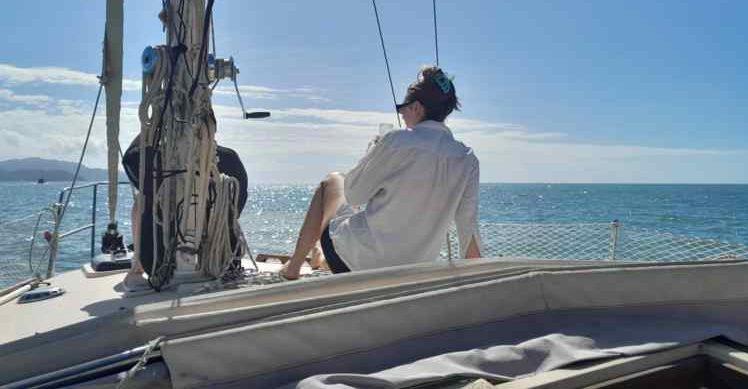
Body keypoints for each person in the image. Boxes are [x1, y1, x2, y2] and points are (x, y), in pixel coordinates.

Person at [281, 66, 482, 280]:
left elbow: (354, 195)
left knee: (332, 181)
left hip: (356, 263)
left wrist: (372, 152)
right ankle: (319, 257)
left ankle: (293, 268)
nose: (401, 114)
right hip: (413, 273)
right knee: (346, 224)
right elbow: (468, 230)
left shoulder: (396, 141)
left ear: (416, 107)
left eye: (402, 107)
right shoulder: (467, 159)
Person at [120, 135, 248, 289]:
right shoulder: (230, 160)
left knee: (142, 198)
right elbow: (236, 205)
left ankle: (137, 268)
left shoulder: (152, 159)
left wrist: (149, 132)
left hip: (162, 264)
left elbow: (130, 158)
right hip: (224, 264)